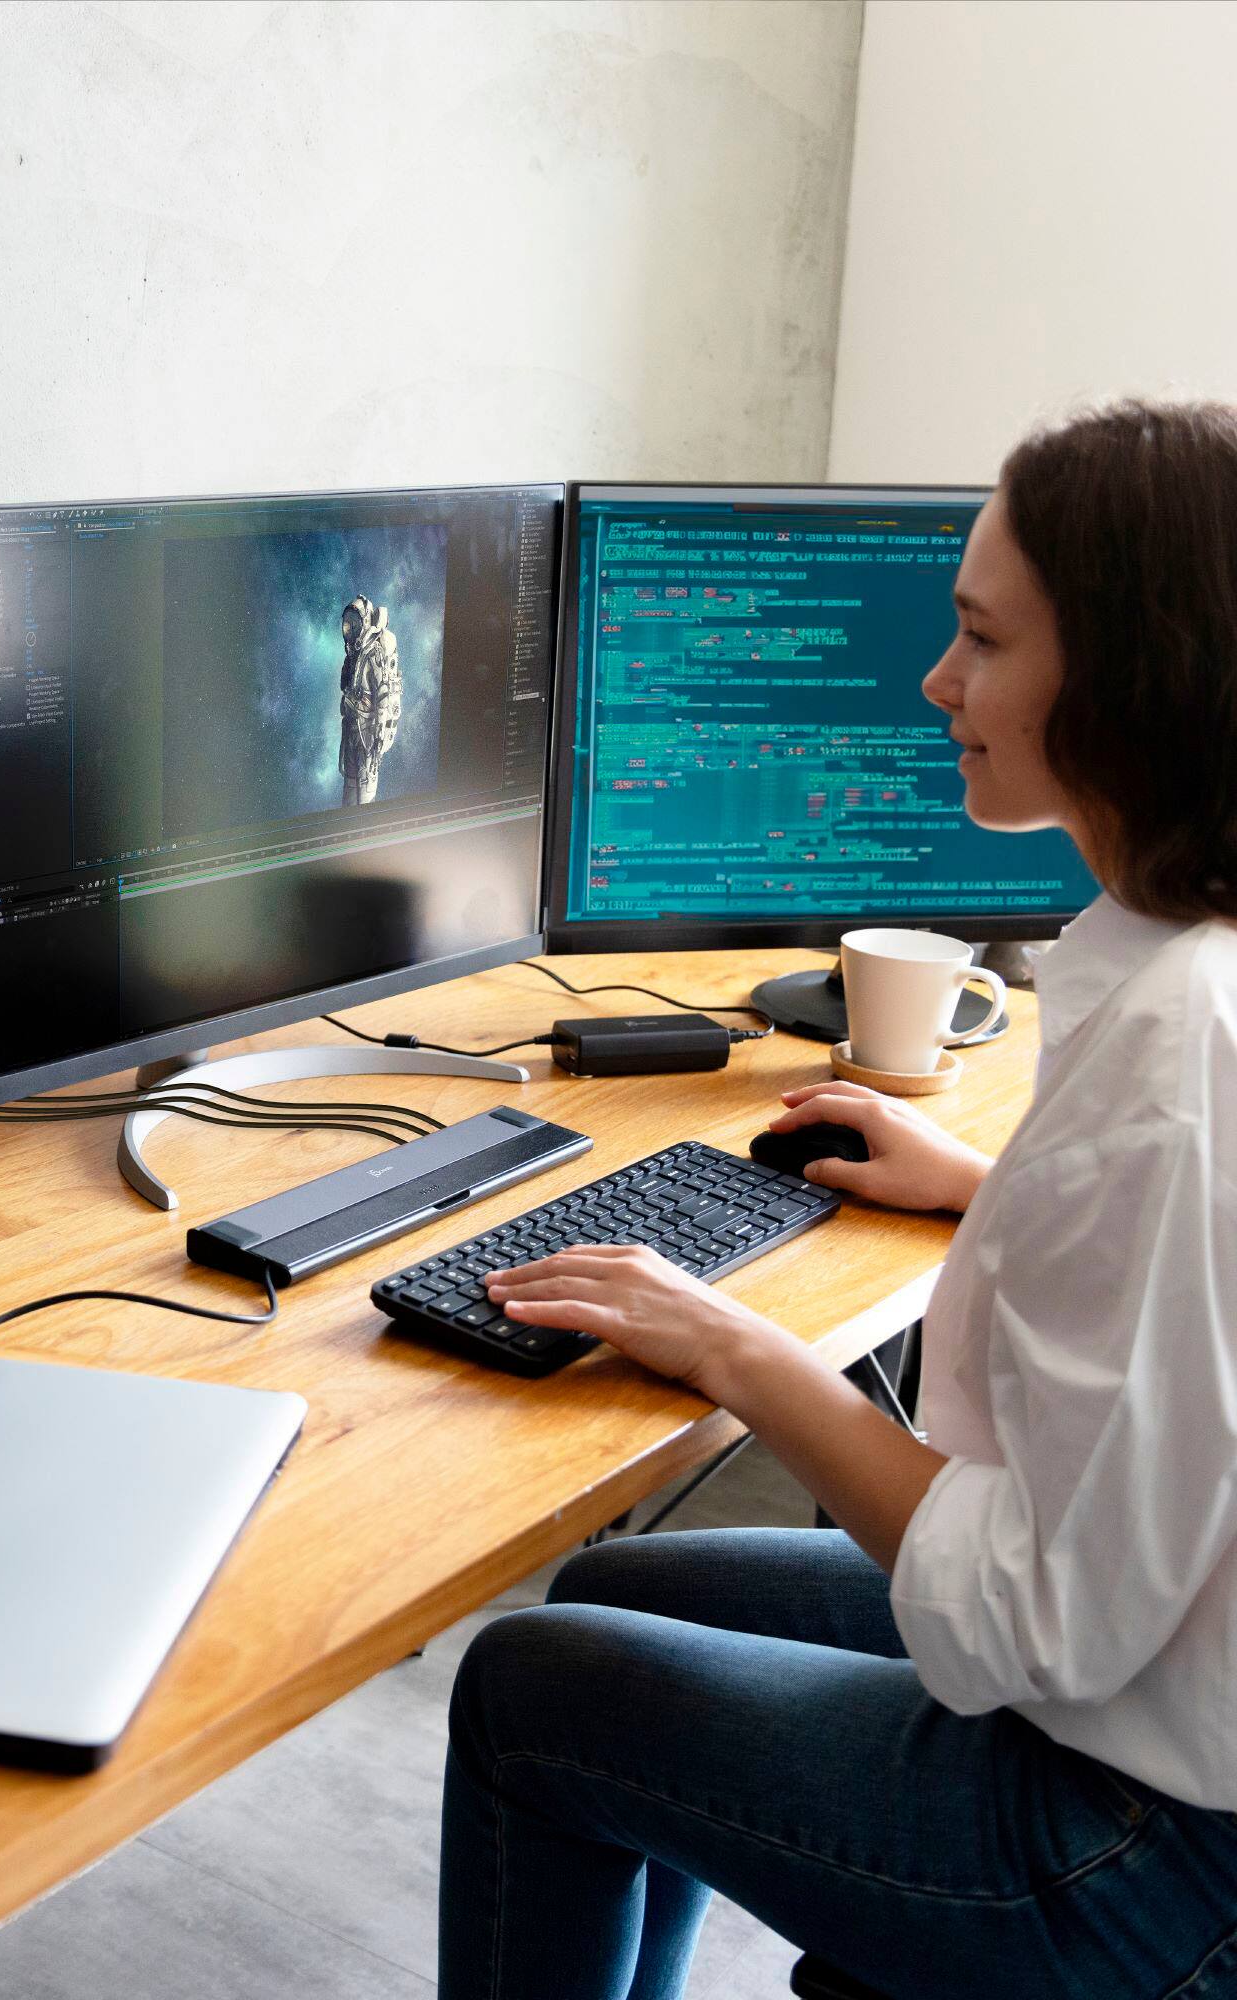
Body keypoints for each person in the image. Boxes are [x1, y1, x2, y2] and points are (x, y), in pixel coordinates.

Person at [440, 402, 1237, 2000]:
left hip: (1136, 1851)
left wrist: (738, 1352)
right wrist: (990, 1187)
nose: (939, 683)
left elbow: (1036, 1620)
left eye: (980, 637)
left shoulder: (1177, 1056)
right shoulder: (1186, 975)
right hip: (1172, 1699)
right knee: (609, 1591)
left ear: (1131, 677)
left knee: (532, 1684)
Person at [340, 594, 403, 805]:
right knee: (350, 782)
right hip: (351, 726)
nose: (350, 628)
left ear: (365, 621)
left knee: (365, 784)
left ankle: (364, 827)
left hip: (367, 730)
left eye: (355, 622)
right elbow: (345, 686)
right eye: (348, 623)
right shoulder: (353, 655)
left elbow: (383, 692)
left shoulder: (374, 653)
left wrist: (379, 727)